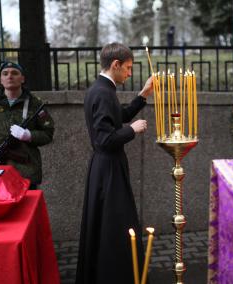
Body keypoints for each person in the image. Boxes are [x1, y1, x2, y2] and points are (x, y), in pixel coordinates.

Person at [76, 42, 154, 284]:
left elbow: (118, 116)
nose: (130, 73)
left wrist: (143, 95)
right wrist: (132, 130)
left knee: (111, 224)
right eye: (128, 68)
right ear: (115, 65)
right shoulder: (102, 92)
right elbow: (103, 139)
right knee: (114, 226)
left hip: (107, 167)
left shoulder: (102, 89)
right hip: (107, 169)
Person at [0, 61, 55, 189]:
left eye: (14, 73)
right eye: (5, 73)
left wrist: (29, 135)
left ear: (22, 79)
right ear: (1, 79)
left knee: (27, 208)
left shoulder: (34, 103)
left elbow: (48, 133)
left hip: (26, 171)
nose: (9, 76)